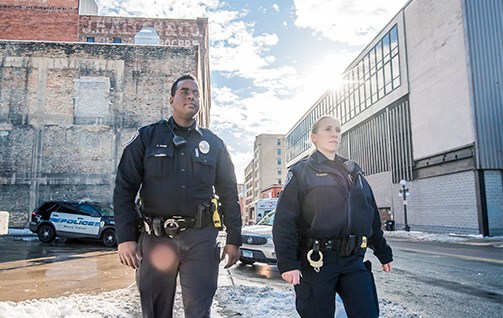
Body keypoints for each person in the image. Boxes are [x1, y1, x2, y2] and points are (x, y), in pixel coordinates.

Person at [113, 74, 242, 318]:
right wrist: (125, 237)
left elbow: (229, 193)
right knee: (155, 311)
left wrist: (234, 237)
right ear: (171, 99)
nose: (191, 96)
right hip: (156, 239)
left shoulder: (214, 145)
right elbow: (124, 188)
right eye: (184, 91)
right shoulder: (146, 138)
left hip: (201, 240)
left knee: (199, 311)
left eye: (196, 92)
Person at [272, 115, 393, 318]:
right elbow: (284, 220)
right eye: (328, 129)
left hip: (353, 259)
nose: (335, 134)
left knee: (368, 313)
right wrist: (288, 263)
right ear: (314, 138)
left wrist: (383, 251)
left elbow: (369, 216)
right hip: (316, 260)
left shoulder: (354, 172)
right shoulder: (301, 172)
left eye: (337, 130)